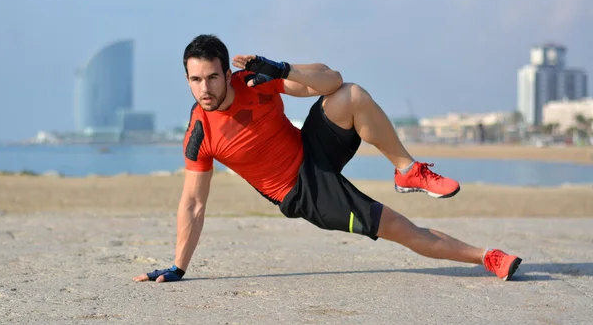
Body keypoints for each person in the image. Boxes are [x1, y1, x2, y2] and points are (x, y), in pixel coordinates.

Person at [133, 34, 522, 284]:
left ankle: (407, 170)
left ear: (224, 71)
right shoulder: (200, 133)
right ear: (187, 79)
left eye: (212, 77)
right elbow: (193, 203)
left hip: (310, 147)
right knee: (403, 229)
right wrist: (178, 266)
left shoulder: (254, 80)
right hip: (304, 192)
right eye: (195, 80)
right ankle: (486, 257)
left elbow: (331, 79)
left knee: (350, 94)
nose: (205, 88)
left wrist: (282, 69)